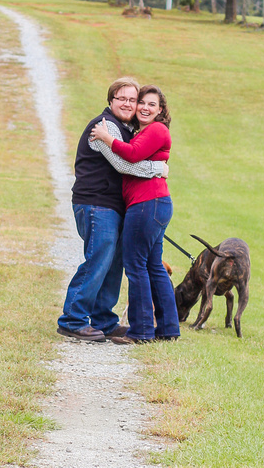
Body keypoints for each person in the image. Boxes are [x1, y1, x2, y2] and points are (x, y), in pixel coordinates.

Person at [57, 77, 169, 343]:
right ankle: (72, 319)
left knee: (114, 262)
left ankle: (104, 321)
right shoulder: (104, 128)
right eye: (122, 98)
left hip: (115, 206)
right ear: (111, 101)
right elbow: (125, 165)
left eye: (134, 99)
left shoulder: (126, 129)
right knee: (99, 259)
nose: (129, 104)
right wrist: (159, 170)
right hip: (96, 203)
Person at [91, 84, 180, 344]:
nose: (144, 107)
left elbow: (130, 156)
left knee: (136, 265)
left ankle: (141, 331)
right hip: (154, 203)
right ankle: (167, 329)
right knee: (153, 266)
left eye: (152, 104)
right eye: (142, 102)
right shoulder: (146, 130)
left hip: (146, 204)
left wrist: (107, 138)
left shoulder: (156, 129)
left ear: (161, 110)